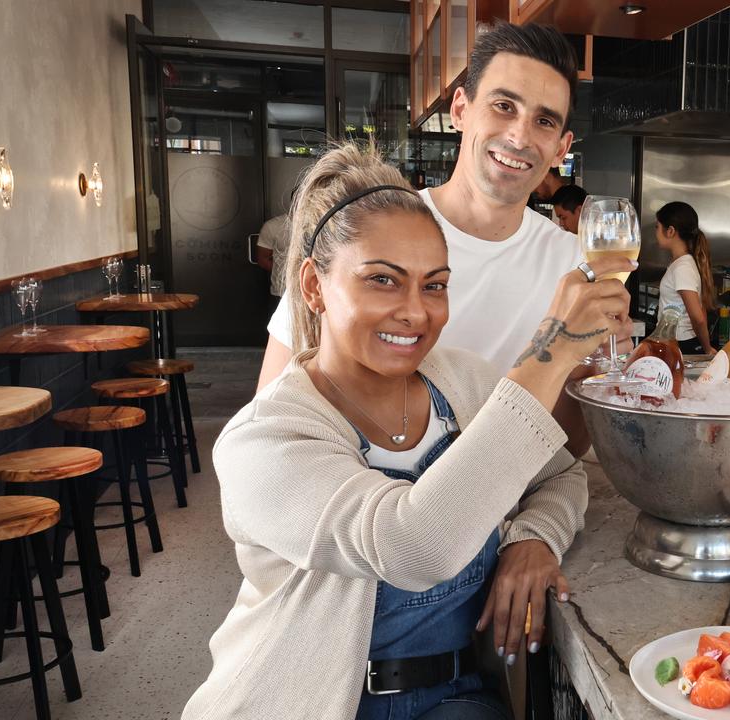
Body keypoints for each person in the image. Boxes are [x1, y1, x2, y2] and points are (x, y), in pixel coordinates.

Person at [183, 143, 633, 720]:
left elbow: (562, 473)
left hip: (457, 694)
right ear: (314, 287)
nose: (416, 312)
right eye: (383, 281)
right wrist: (554, 348)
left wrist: (533, 537)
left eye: (435, 285)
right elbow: (413, 544)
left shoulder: (462, 382)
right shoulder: (264, 441)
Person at [258, 22, 606, 458]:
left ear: (561, 147)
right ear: (460, 109)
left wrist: (591, 370)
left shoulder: (574, 266)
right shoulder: (365, 228)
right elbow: (271, 415)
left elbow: (561, 453)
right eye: (503, 106)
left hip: (506, 507)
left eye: (544, 121)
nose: (520, 136)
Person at [654, 201, 718, 356]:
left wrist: (707, 349)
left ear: (670, 231)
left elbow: (698, 317)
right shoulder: (681, 264)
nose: (655, 232)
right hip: (676, 342)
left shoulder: (682, 267)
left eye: (657, 227)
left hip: (682, 344)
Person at [256, 209, 290, 301]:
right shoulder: (273, 226)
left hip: (316, 292)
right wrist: (285, 274)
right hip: (281, 292)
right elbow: (263, 259)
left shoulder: (319, 223)